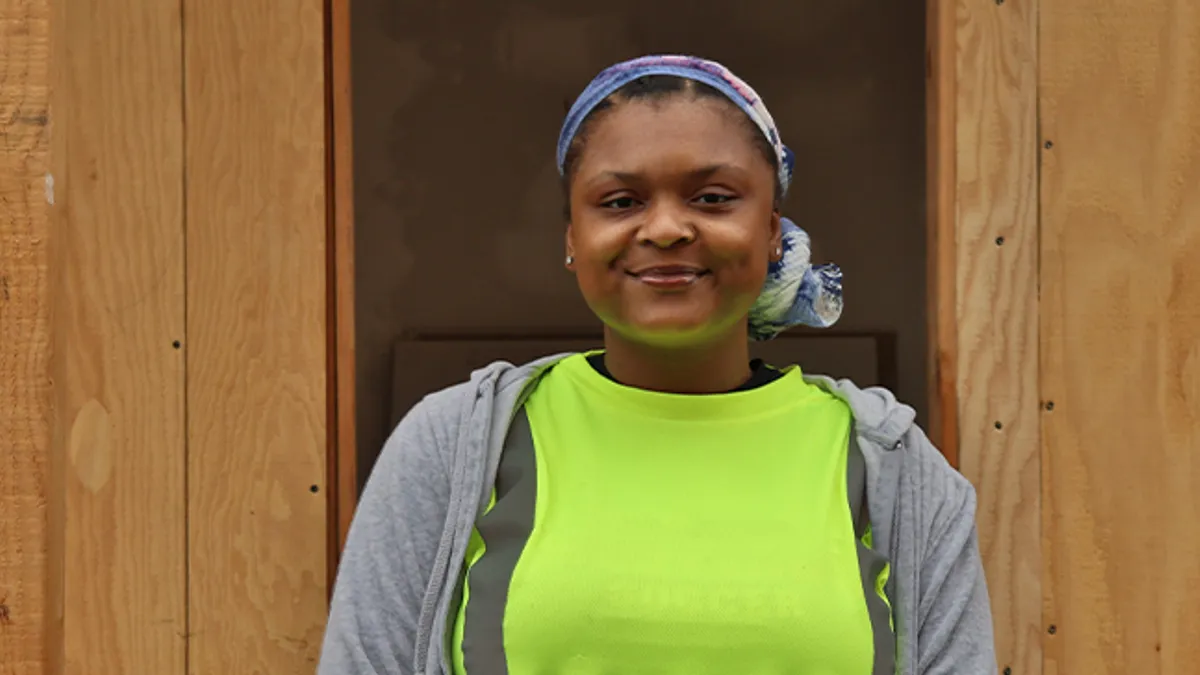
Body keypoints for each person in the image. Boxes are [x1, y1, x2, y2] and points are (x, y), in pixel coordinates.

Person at [318, 55, 996, 675]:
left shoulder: (892, 467)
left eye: (713, 197)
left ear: (771, 231)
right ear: (572, 237)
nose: (666, 227)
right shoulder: (457, 444)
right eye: (621, 202)